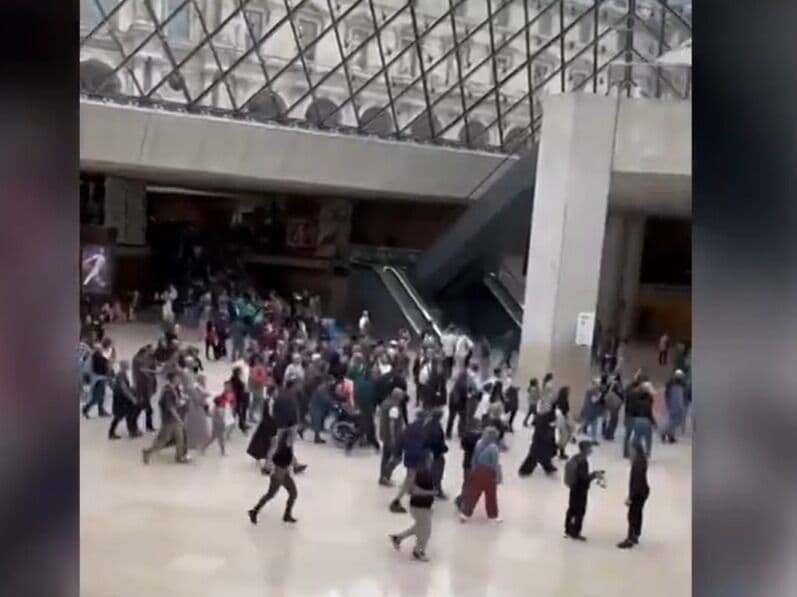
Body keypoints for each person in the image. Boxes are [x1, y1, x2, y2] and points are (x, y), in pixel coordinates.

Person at [389, 453, 437, 562]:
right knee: (426, 531)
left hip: (423, 507)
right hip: (419, 507)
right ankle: (418, 551)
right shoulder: (419, 473)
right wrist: (431, 493)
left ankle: (398, 538)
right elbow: (413, 490)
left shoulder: (427, 472)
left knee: (420, 527)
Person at [248, 428, 299, 524]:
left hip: (283, 474)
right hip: (278, 475)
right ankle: (254, 511)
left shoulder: (286, 447)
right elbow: (276, 459)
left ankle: (286, 514)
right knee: (271, 494)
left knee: (292, 493)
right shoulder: (282, 448)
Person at [142, 372, 189, 464]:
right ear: (174, 378)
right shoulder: (168, 391)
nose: (179, 380)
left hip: (174, 419)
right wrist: (178, 418)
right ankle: (148, 451)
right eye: (178, 378)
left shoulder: (175, 389)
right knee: (164, 439)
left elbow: (178, 400)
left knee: (180, 438)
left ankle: (179, 457)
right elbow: (170, 408)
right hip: (169, 420)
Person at [458, 426, 502, 523]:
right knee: (491, 495)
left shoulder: (479, 443)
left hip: (478, 470)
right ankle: (493, 515)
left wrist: (474, 470)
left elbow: (474, 459)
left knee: (473, 494)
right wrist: (497, 476)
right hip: (489, 472)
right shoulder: (494, 448)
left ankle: (465, 514)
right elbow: (495, 463)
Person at [563, 440, 604, 541]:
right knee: (580, 511)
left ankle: (568, 529)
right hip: (580, 490)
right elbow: (583, 477)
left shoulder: (575, 458)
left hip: (573, 488)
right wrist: (594, 475)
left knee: (571, 509)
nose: (591, 450)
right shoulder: (583, 461)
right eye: (590, 448)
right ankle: (575, 532)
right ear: (586, 449)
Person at [390, 410, 429, 513]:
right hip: (416, 457)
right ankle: (396, 500)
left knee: (411, 477)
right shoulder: (423, 429)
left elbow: (400, 440)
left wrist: (397, 454)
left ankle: (412, 493)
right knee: (410, 479)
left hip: (408, 456)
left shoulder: (409, 427)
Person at [618, 440, 650, 548]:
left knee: (632, 515)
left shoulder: (637, 464)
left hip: (638, 492)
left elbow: (636, 483)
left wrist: (630, 497)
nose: (630, 452)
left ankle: (630, 538)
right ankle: (636, 534)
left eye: (631, 450)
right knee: (638, 513)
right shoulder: (641, 461)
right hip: (643, 491)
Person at [518, 406, 557, 476]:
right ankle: (524, 470)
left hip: (543, 437)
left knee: (543, 453)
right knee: (535, 454)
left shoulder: (544, 415)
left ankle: (548, 467)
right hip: (542, 437)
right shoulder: (544, 416)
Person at [378, 388, 406, 486]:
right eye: (401, 395)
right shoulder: (394, 407)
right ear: (397, 396)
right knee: (396, 457)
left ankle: (383, 477)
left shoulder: (385, 403)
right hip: (392, 437)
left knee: (385, 457)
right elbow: (392, 423)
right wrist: (394, 438)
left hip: (385, 435)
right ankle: (386, 476)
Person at [108, 360, 141, 439]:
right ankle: (111, 433)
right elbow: (124, 388)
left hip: (120, 397)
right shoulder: (121, 375)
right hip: (120, 398)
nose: (129, 365)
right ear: (123, 366)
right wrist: (132, 398)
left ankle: (131, 430)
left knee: (125, 414)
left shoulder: (122, 374)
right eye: (127, 364)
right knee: (118, 415)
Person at [82, 337, 114, 418]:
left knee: (102, 395)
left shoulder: (99, 353)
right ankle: (86, 409)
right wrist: (108, 367)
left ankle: (101, 410)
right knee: (97, 396)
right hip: (99, 377)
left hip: (99, 377)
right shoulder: (98, 354)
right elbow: (101, 366)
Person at [624, 381, 656, 458]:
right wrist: (653, 422)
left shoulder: (633, 394)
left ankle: (630, 452)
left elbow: (630, 407)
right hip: (643, 419)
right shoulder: (648, 398)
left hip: (634, 418)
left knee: (635, 436)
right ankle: (647, 453)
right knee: (647, 438)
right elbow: (649, 412)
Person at [204, 382, 236, 456]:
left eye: (229, 386)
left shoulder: (229, 397)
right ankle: (222, 452)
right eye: (226, 386)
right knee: (219, 436)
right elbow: (218, 407)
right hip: (218, 420)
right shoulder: (221, 398)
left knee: (216, 436)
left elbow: (231, 407)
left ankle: (204, 448)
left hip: (221, 419)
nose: (227, 388)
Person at [423, 408, 448, 499]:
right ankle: (437, 490)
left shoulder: (429, 424)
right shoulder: (435, 427)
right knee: (437, 472)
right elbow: (435, 441)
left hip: (430, 452)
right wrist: (443, 448)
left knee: (431, 471)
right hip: (435, 453)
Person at [184, 373, 211, 452]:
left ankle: (195, 443)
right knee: (196, 425)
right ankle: (193, 443)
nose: (205, 381)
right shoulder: (197, 387)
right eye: (203, 379)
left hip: (198, 407)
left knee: (198, 425)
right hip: (196, 407)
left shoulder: (199, 387)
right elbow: (198, 399)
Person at [662, 369, 687, 443]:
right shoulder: (674, 384)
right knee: (675, 420)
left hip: (673, 403)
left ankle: (670, 435)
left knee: (673, 421)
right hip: (675, 404)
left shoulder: (673, 383)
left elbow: (667, 394)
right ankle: (666, 433)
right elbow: (670, 395)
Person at [601, 372, 624, 441]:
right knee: (613, 420)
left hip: (610, 404)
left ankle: (606, 433)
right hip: (614, 405)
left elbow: (605, 394)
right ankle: (609, 434)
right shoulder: (616, 385)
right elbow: (622, 395)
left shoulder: (610, 385)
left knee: (608, 419)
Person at [554, 386, 574, 460]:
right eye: (568, 391)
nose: (569, 393)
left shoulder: (559, 400)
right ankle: (559, 451)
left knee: (563, 437)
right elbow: (565, 412)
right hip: (563, 420)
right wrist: (569, 422)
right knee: (564, 437)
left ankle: (560, 452)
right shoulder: (564, 401)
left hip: (560, 420)